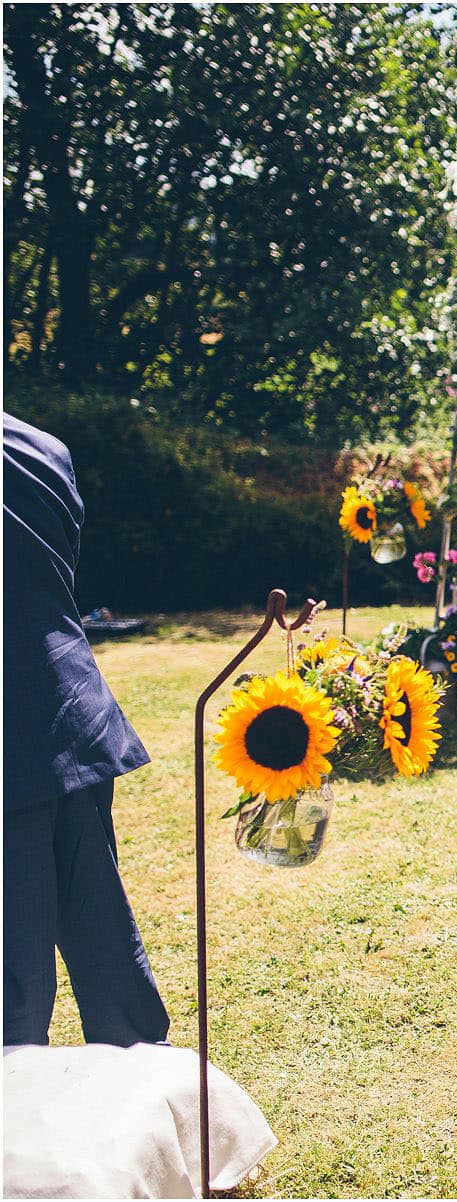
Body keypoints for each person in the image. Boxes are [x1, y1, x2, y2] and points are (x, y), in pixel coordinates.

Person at [4, 414, 170, 1048]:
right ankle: (152, 1101)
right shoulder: (42, 448)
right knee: (101, 929)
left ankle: (16, 1131)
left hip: (9, 738)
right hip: (70, 702)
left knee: (12, 974)